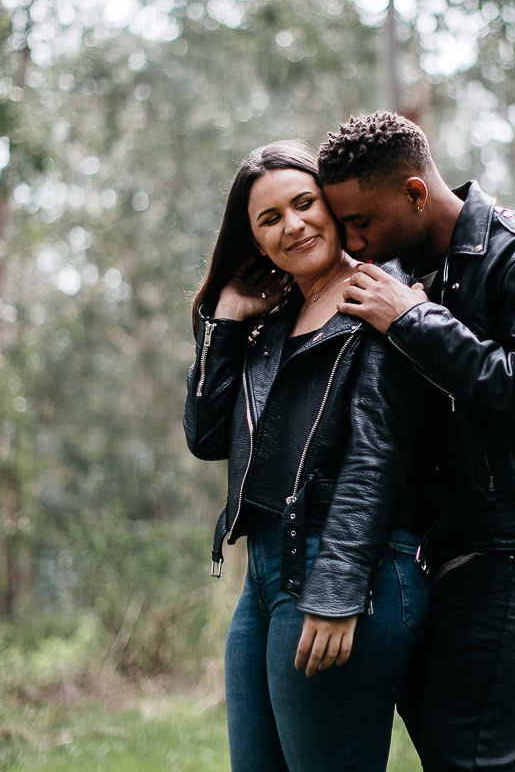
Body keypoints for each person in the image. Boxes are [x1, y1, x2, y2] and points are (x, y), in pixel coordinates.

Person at [317, 111, 515, 772]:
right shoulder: (412, 271)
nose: (356, 242)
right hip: (443, 553)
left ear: (416, 192)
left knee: (466, 757)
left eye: (363, 222)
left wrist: (416, 321)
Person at [183, 140, 429, 772]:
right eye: (270, 219)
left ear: (332, 206)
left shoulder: (380, 293)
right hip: (263, 576)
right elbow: (208, 438)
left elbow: (379, 453)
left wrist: (340, 584)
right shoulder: (271, 323)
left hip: (347, 566)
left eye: (304, 203)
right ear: (255, 241)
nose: (293, 226)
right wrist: (228, 320)